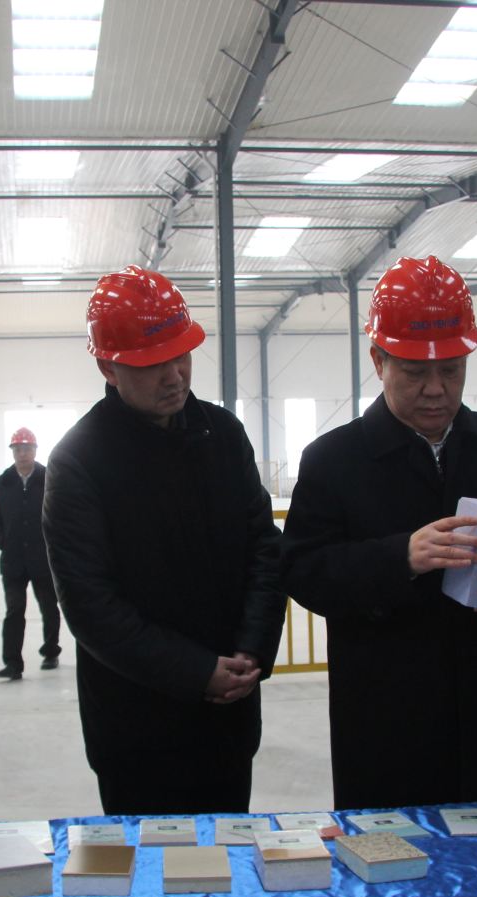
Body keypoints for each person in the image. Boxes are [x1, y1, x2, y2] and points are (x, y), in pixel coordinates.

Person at [280, 255, 477, 810]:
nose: (436, 389)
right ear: (378, 360)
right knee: (393, 848)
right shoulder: (333, 461)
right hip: (387, 718)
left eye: (452, 370)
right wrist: (401, 558)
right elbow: (303, 571)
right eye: (415, 372)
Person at [42, 265, 283, 816]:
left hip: (229, 717)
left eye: (182, 356)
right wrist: (196, 673)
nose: (175, 375)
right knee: (147, 865)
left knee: (228, 855)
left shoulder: (223, 435)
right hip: (137, 728)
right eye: (153, 363)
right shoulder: (80, 461)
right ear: (108, 366)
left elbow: (264, 550)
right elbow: (90, 606)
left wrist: (251, 649)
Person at [0, 426, 62, 680]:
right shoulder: (3, 483)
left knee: (49, 607)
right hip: (13, 561)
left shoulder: (49, 478)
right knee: (14, 610)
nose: (22, 453)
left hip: (43, 559)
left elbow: (61, 516)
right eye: (18, 449)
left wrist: (52, 545)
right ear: (12, 452)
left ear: (35, 450)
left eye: (27, 448)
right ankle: (12, 663)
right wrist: (4, 543)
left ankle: (50, 652)